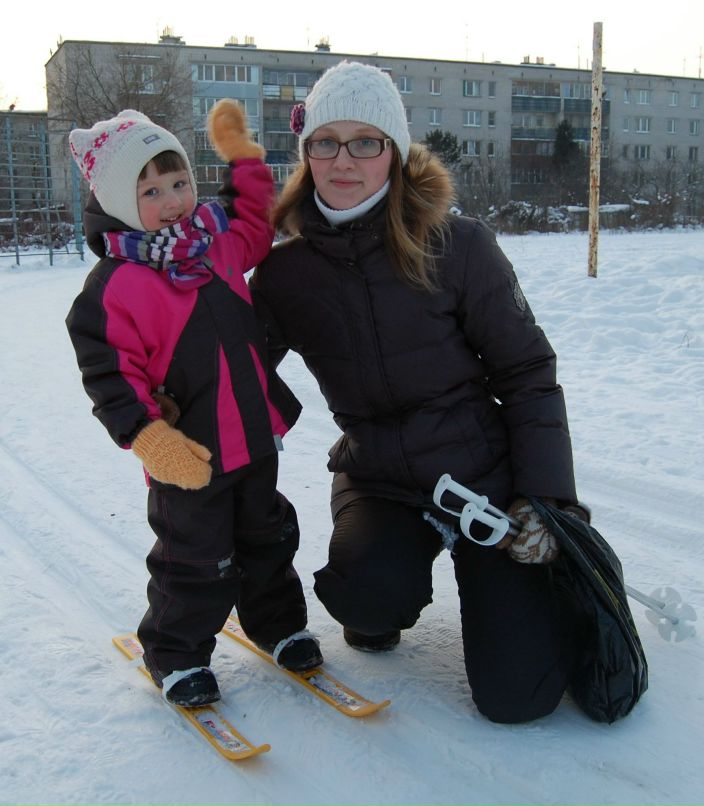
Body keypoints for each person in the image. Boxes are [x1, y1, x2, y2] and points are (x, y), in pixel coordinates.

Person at [249, 61, 582, 724]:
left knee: (519, 700)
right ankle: (388, 583)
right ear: (306, 150)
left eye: (365, 141)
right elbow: (232, 373)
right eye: (325, 141)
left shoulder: (458, 246)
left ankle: (549, 578)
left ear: (394, 152)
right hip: (382, 479)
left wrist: (546, 501)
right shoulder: (284, 274)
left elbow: (526, 374)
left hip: (486, 481)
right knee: (365, 603)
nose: (344, 160)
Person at [65, 102, 322, 708]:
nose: (173, 199)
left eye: (178, 181)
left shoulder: (217, 241)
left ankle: (277, 625)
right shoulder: (116, 285)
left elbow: (258, 221)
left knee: (268, 537)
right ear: (122, 205)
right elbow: (108, 371)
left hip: (256, 438)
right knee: (195, 557)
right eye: (150, 190)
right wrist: (150, 439)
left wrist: (243, 161)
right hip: (190, 455)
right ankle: (176, 654)